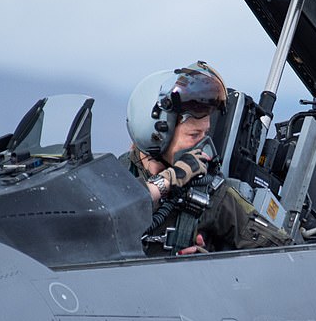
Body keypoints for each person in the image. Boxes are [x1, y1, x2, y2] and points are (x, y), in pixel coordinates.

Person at [122, 61, 291, 255]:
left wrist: (212, 266)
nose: (204, 146)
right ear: (156, 135)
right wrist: (168, 180)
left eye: (206, 134)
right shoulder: (111, 178)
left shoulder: (211, 192)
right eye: (194, 135)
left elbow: (285, 251)